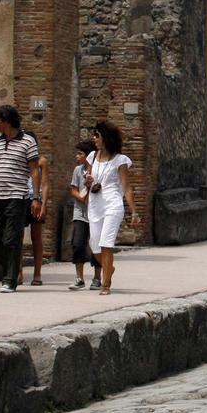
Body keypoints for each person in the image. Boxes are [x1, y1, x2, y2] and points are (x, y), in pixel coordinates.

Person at [0, 105, 40, 293]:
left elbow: (34, 171)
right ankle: (11, 266)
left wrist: (35, 198)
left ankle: (10, 279)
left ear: (7, 121)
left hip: (17, 197)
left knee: (12, 238)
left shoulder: (28, 141)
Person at [86, 120, 140, 295]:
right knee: (94, 246)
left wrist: (134, 211)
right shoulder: (91, 157)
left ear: (105, 138)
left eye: (97, 136)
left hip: (113, 205)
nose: (94, 138)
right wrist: (88, 181)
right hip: (94, 205)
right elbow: (89, 178)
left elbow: (126, 187)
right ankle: (109, 268)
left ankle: (105, 284)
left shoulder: (120, 160)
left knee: (106, 244)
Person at [68, 141, 102, 291]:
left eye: (80, 154)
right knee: (77, 243)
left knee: (96, 244)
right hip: (80, 212)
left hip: (95, 213)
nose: (77, 157)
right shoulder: (78, 170)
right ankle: (79, 278)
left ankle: (97, 278)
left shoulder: (99, 170)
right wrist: (81, 197)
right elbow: (73, 189)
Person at [17, 154, 51, 286]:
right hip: (21, 199)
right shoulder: (20, 159)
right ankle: (18, 272)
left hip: (36, 199)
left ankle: (37, 274)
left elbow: (45, 184)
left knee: (36, 238)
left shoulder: (41, 161)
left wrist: (43, 204)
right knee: (17, 237)